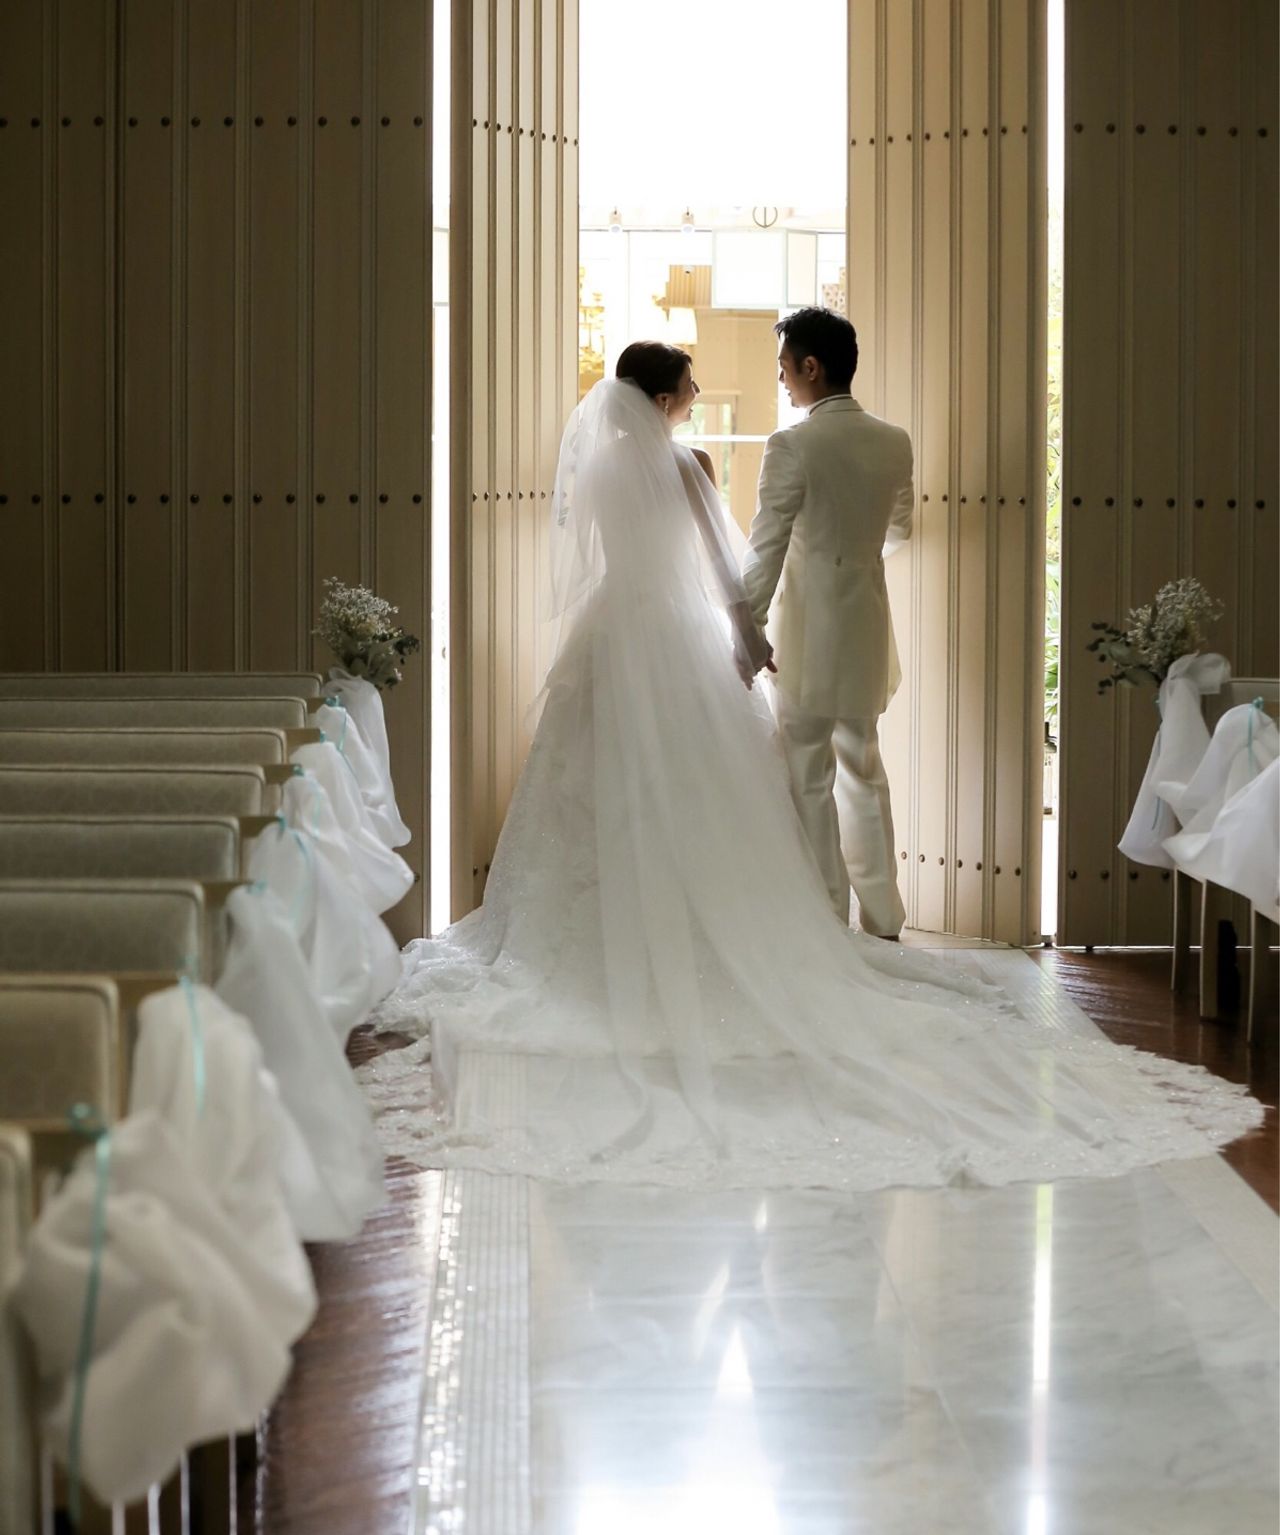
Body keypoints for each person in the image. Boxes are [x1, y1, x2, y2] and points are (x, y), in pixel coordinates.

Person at [360, 349, 1260, 1192]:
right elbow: (723, 565)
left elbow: (594, 560)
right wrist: (747, 638)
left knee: (592, 788)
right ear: (664, 399)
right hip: (674, 640)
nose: (696, 396)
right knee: (719, 789)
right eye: (689, 386)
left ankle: (590, 941)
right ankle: (785, 920)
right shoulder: (690, 466)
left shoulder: (594, 471)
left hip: (610, 638)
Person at [745, 307, 911, 937]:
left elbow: (766, 547)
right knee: (864, 767)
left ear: (811, 367)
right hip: (866, 624)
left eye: (785, 367)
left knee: (808, 775)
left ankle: (826, 919)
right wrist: (851, 561)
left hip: (807, 634)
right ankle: (884, 917)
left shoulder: (792, 445)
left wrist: (749, 628)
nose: (782, 379)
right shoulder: (894, 440)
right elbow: (900, 530)